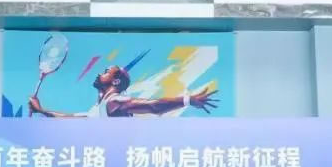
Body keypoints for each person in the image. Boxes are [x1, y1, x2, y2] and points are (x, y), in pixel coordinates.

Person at [28, 63, 218, 118]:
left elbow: (154, 107)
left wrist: (187, 100)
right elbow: (70, 119)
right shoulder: (99, 109)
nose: (99, 74)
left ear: (116, 80)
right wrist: (41, 110)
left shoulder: (115, 102)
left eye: (106, 72)